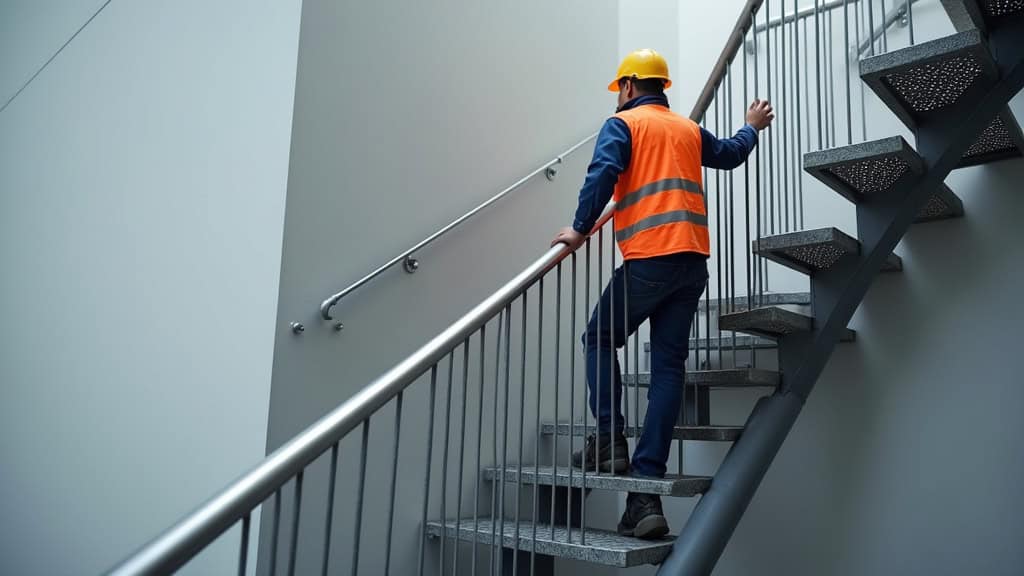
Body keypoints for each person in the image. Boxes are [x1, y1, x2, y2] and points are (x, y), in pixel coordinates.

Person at [550, 48, 774, 539]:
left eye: (619, 89)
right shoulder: (687, 129)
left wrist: (580, 229)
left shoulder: (623, 125)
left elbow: (602, 174)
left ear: (629, 85)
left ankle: (610, 438)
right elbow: (730, 155)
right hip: (692, 264)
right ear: (662, 87)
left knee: (599, 338)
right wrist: (751, 126)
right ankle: (644, 492)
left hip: (650, 259)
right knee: (668, 368)